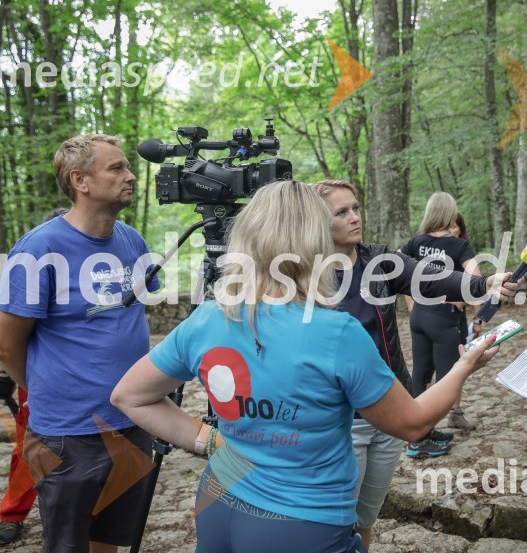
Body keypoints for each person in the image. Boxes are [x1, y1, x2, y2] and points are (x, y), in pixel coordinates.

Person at [110, 180, 502, 553]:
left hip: (218, 501)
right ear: (315, 241)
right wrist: (463, 367)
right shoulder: (337, 332)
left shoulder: (208, 318)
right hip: (301, 520)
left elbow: (130, 396)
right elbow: (414, 424)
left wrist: (208, 441)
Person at [311, 179, 518, 550]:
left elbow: (434, 279)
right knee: (336, 521)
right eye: (341, 212)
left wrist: (486, 283)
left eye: (356, 207)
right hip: (342, 419)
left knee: (366, 516)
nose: (355, 217)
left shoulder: (378, 259)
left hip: (391, 407)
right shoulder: (304, 276)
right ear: (316, 221)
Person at [0, 134, 159, 553]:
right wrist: (54, 389)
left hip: (132, 423)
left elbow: (136, 319)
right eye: (117, 168)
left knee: (109, 542)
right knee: (68, 546)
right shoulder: (38, 249)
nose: (131, 175)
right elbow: (4, 345)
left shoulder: (132, 241)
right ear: (80, 180)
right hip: (69, 434)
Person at [0, 207, 69, 546]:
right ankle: (13, 513)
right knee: (28, 446)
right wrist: (8, 375)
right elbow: (11, 331)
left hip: (89, 377)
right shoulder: (30, 265)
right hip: (39, 374)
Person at [401, 192, 482, 440]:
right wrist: (477, 316)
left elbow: (394, 269)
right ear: (450, 213)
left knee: (421, 374)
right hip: (444, 321)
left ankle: (417, 432)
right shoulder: (459, 245)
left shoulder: (416, 243)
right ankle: (425, 432)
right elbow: (477, 280)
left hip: (420, 318)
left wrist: (415, 306)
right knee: (449, 378)